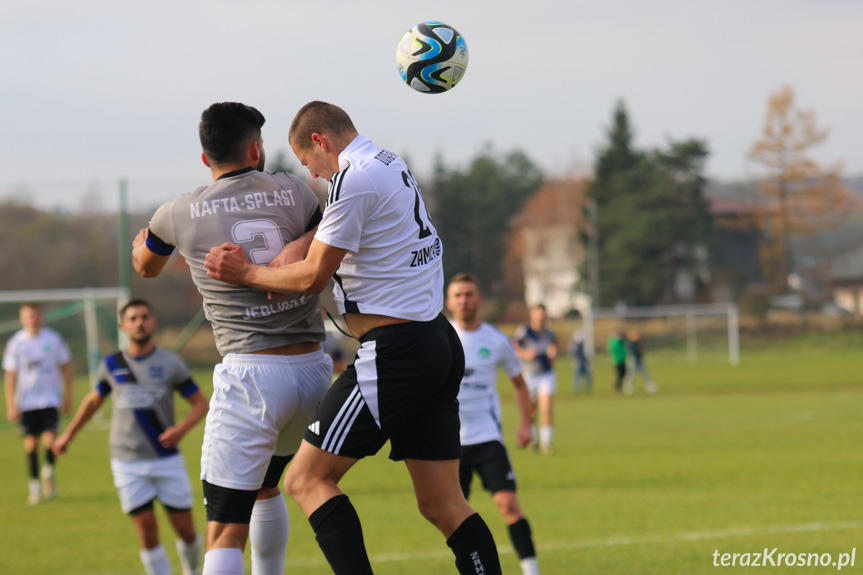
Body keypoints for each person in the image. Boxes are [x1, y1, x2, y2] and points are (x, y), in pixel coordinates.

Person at [204, 100, 503, 575]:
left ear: (319, 142)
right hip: (435, 341)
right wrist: (307, 239)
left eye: (310, 164)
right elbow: (349, 225)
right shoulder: (387, 162)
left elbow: (311, 279)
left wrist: (247, 271)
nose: (316, 175)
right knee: (443, 505)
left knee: (305, 479)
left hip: (395, 352)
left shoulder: (352, 178)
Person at [131, 102, 333, 575]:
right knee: (266, 487)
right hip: (314, 370)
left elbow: (147, 265)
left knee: (223, 530)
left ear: (205, 158)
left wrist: (147, 240)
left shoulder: (178, 210)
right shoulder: (294, 190)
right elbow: (331, 226)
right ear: (256, 148)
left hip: (252, 377)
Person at [53, 299, 208, 575]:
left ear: (153, 322)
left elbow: (200, 403)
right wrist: (67, 436)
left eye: (145, 317)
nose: (140, 323)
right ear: (123, 326)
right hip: (127, 461)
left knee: (186, 531)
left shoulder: (171, 363)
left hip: (165, 458)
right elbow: (92, 402)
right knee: (147, 531)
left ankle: (192, 571)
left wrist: (180, 430)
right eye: (133, 318)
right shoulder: (111, 364)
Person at [446, 273, 540, 575]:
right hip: (449, 444)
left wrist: (526, 424)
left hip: (488, 439)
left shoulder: (496, 340)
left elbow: (520, 384)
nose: (464, 300)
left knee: (509, 506)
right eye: (458, 295)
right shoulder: (439, 337)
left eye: (469, 294)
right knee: (451, 518)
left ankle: (531, 570)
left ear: (479, 300)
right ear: (448, 301)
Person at [3, 302, 73, 505]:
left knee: (51, 442)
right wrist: (11, 405)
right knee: (31, 445)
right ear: (22, 319)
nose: (32, 320)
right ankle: (34, 487)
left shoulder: (53, 339)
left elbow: (66, 367)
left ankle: (48, 472)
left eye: (35, 316)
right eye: (28, 316)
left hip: (50, 399)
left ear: (41, 317)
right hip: (26, 403)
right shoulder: (16, 343)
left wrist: (67, 397)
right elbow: (10, 376)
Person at [512, 304, 558, 455]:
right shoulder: (525, 331)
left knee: (547, 409)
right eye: (538, 314)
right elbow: (514, 348)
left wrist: (553, 354)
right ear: (532, 315)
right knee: (531, 411)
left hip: (546, 374)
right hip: (529, 374)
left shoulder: (550, 333)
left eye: (543, 314)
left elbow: (553, 350)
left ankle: (546, 444)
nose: (541, 317)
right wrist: (525, 354)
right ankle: (534, 441)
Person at [624, 329, 658, 394]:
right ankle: (628, 388)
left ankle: (649, 387)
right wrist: (640, 349)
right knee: (631, 374)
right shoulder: (630, 342)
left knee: (645, 373)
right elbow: (633, 351)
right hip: (633, 359)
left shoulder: (638, 342)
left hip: (639, 359)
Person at [568, 330, 593, 394]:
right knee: (577, 377)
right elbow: (576, 354)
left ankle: (587, 389)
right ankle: (576, 390)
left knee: (587, 377)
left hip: (582, 363)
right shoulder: (576, 346)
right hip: (579, 363)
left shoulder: (581, 345)